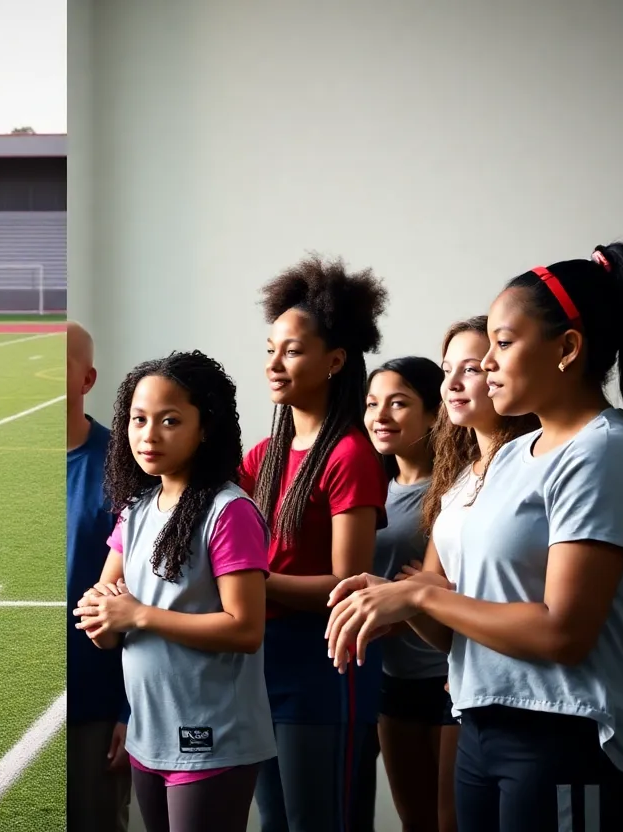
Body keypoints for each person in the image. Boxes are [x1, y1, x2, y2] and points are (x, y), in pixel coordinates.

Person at [326, 244, 623, 831]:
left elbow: (563, 633)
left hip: (570, 738)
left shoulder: (602, 455)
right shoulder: (508, 458)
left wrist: (420, 596)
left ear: (567, 348)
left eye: (503, 344)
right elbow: (455, 630)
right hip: (482, 727)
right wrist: (392, 600)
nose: (485, 364)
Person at [73, 350, 276, 832]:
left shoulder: (230, 512)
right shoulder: (136, 509)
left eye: (169, 420)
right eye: (138, 419)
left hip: (212, 737)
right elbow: (105, 612)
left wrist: (137, 615)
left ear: (205, 428)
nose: (149, 434)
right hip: (150, 732)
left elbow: (245, 628)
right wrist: (103, 621)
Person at [240, 254, 390, 832]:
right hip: (259, 664)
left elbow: (347, 586)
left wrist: (253, 585)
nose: (275, 363)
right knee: (276, 822)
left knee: (316, 822)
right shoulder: (263, 454)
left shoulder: (351, 454)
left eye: (293, 351)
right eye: (271, 348)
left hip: (323, 668)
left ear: (334, 361)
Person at [362, 356, 452, 832]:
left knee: (449, 820)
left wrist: (416, 593)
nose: (381, 415)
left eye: (399, 403)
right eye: (373, 403)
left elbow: (454, 585)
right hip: (388, 677)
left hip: (444, 674)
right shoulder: (370, 488)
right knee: (414, 820)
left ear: (435, 412)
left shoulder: (454, 491)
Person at [66, 322, 132, 832]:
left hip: (93, 700)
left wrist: (129, 711)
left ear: (87, 379)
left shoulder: (123, 467)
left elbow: (144, 597)